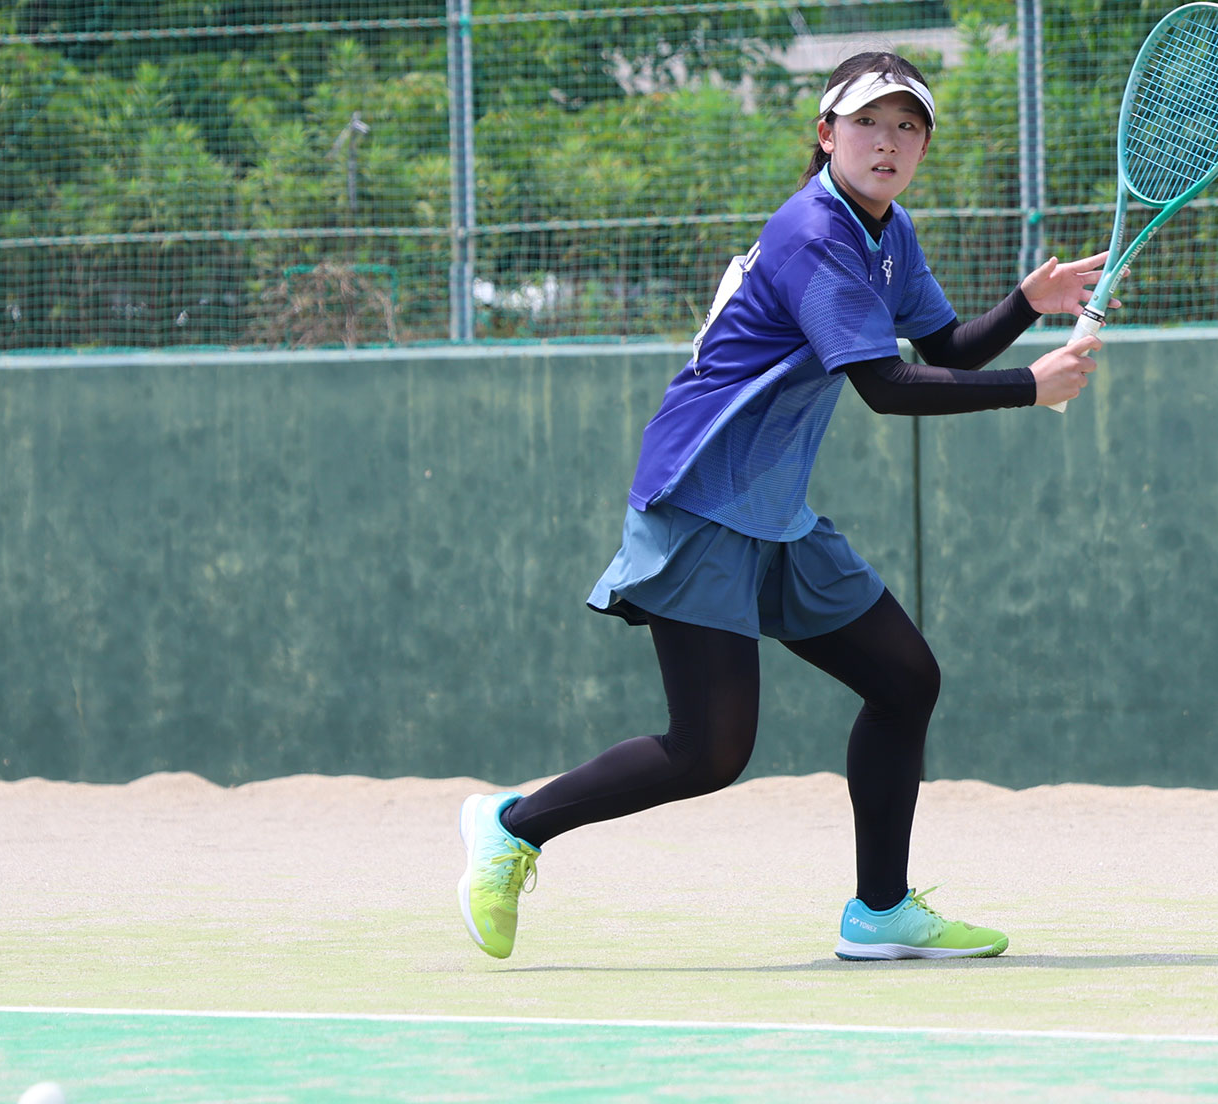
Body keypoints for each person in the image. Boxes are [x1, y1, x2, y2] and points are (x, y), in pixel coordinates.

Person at [458, 51, 1105, 961]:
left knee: (904, 680)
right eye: (867, 123)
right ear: (826, 133)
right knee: (709, 752)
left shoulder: (887, 230)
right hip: (700, 496)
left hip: (774, 509)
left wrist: (1026, 304)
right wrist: (1029, 388)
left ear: (924, 147)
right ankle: (512, 825)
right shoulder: (813, 232)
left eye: (908, 126)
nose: (887, 142)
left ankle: (880, 911)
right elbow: (885, 386)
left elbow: (946, 350)